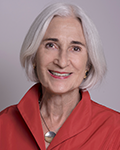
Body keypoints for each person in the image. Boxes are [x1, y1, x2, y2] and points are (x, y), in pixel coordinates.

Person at [0, 3, 120, 150]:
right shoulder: (3, 124)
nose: (62, 62)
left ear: (88, 64)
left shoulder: (115, 129)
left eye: (75, 48)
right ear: (34, 56)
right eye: (51, 45)